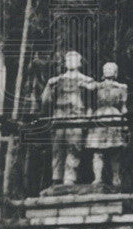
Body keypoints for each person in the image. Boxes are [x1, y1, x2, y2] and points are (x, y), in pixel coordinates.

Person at [40, 50, 95, 187]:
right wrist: (49, 87)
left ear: (79, 63)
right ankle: (56, 177)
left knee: (74, 147)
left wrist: (89, 115)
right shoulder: (56, 81)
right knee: (57, 147)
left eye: (74, 59)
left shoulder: (87, 80)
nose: (71, 61)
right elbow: (45, 100)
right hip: (59, 115)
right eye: (68, 59)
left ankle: (70, 178)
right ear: (65, 62)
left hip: (77, 116)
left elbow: (92, 101)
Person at [85, 62, 128, 188]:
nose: (108, 70)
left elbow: (124, 107)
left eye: (111, 69)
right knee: (97, 150)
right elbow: (89, 95)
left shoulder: (121, 87)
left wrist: (124, 123)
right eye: (106, 68)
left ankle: (116, 177)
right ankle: (97, 178)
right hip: (100, 116)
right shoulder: (97, 86)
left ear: (115, 72)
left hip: (114, 116)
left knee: (115, 150)